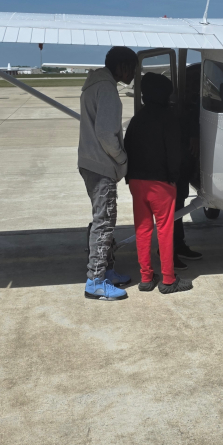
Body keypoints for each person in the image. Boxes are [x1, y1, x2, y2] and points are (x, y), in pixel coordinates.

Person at [125, 72, 193, 294]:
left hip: (136, 181)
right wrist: (174, 177)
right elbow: (174, 152)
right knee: (164, 230)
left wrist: (129, 176)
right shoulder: (168, 118)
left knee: (143, 229)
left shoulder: (137, 119)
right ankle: (168, 280)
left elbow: (127, 146)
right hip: (160, 183)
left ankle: (146, 278)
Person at [79, 46, 136, 301]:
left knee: (103, 220)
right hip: (101, 165)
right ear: (122, 67)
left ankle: (107, 270)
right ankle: (96, 280)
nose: (133, 74)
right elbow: (105, 133)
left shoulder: (93, 85)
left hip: (89, 161)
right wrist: (122, 158)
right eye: (132, 68)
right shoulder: (108, 90)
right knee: (104, 222)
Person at [173, 62, 203, 270]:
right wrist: (193, 135)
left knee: (180, 203)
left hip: (184, 164)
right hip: (178, 164)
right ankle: (171, 248)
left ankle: (178, 244)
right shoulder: (179, 108)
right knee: (175, 206)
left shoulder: (190, 106)